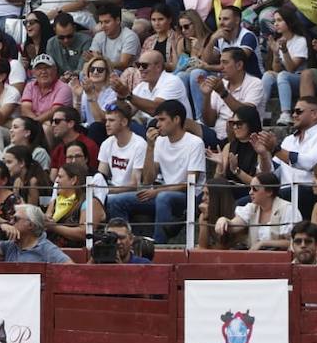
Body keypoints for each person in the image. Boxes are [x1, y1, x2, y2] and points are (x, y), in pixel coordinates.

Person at [107, 100, 204, 243]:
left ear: (176, 120)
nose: (157, 125)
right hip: (162, 193)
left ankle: (158, 245)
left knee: (164, 197)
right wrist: (150, 147)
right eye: (157, 120)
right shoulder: (160, 142)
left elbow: (189, 183)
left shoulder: (195, 143)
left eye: (162, 120)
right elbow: (147, 180)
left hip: (189, 197)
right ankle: (125, 241)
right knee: (115, 200)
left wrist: (157, 191)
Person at [255, 95, 317, 218]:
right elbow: (269, 174)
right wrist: (263, 154)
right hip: (286, 194)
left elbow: (311, 163)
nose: (294, 115)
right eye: (292, 112)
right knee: (242, 203)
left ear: (314, 114)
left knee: (291, 193)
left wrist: (275, 149)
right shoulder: (289, 140)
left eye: (298, 111)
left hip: (313, 193)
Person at [206, 171, 300, 250]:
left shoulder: (287, 209)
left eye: (255, 189)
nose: (250, 192)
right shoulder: (251, 208)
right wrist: (223, 220)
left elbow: (293, 243)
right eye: (250, 188)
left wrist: (263, 243)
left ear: (269, 192)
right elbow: (233, 226)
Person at [0, 202, 72, 263]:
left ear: (31, 225)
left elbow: (70, 268)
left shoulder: (46, 248)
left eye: (16, 219)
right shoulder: (10, 245)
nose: (11, 222)